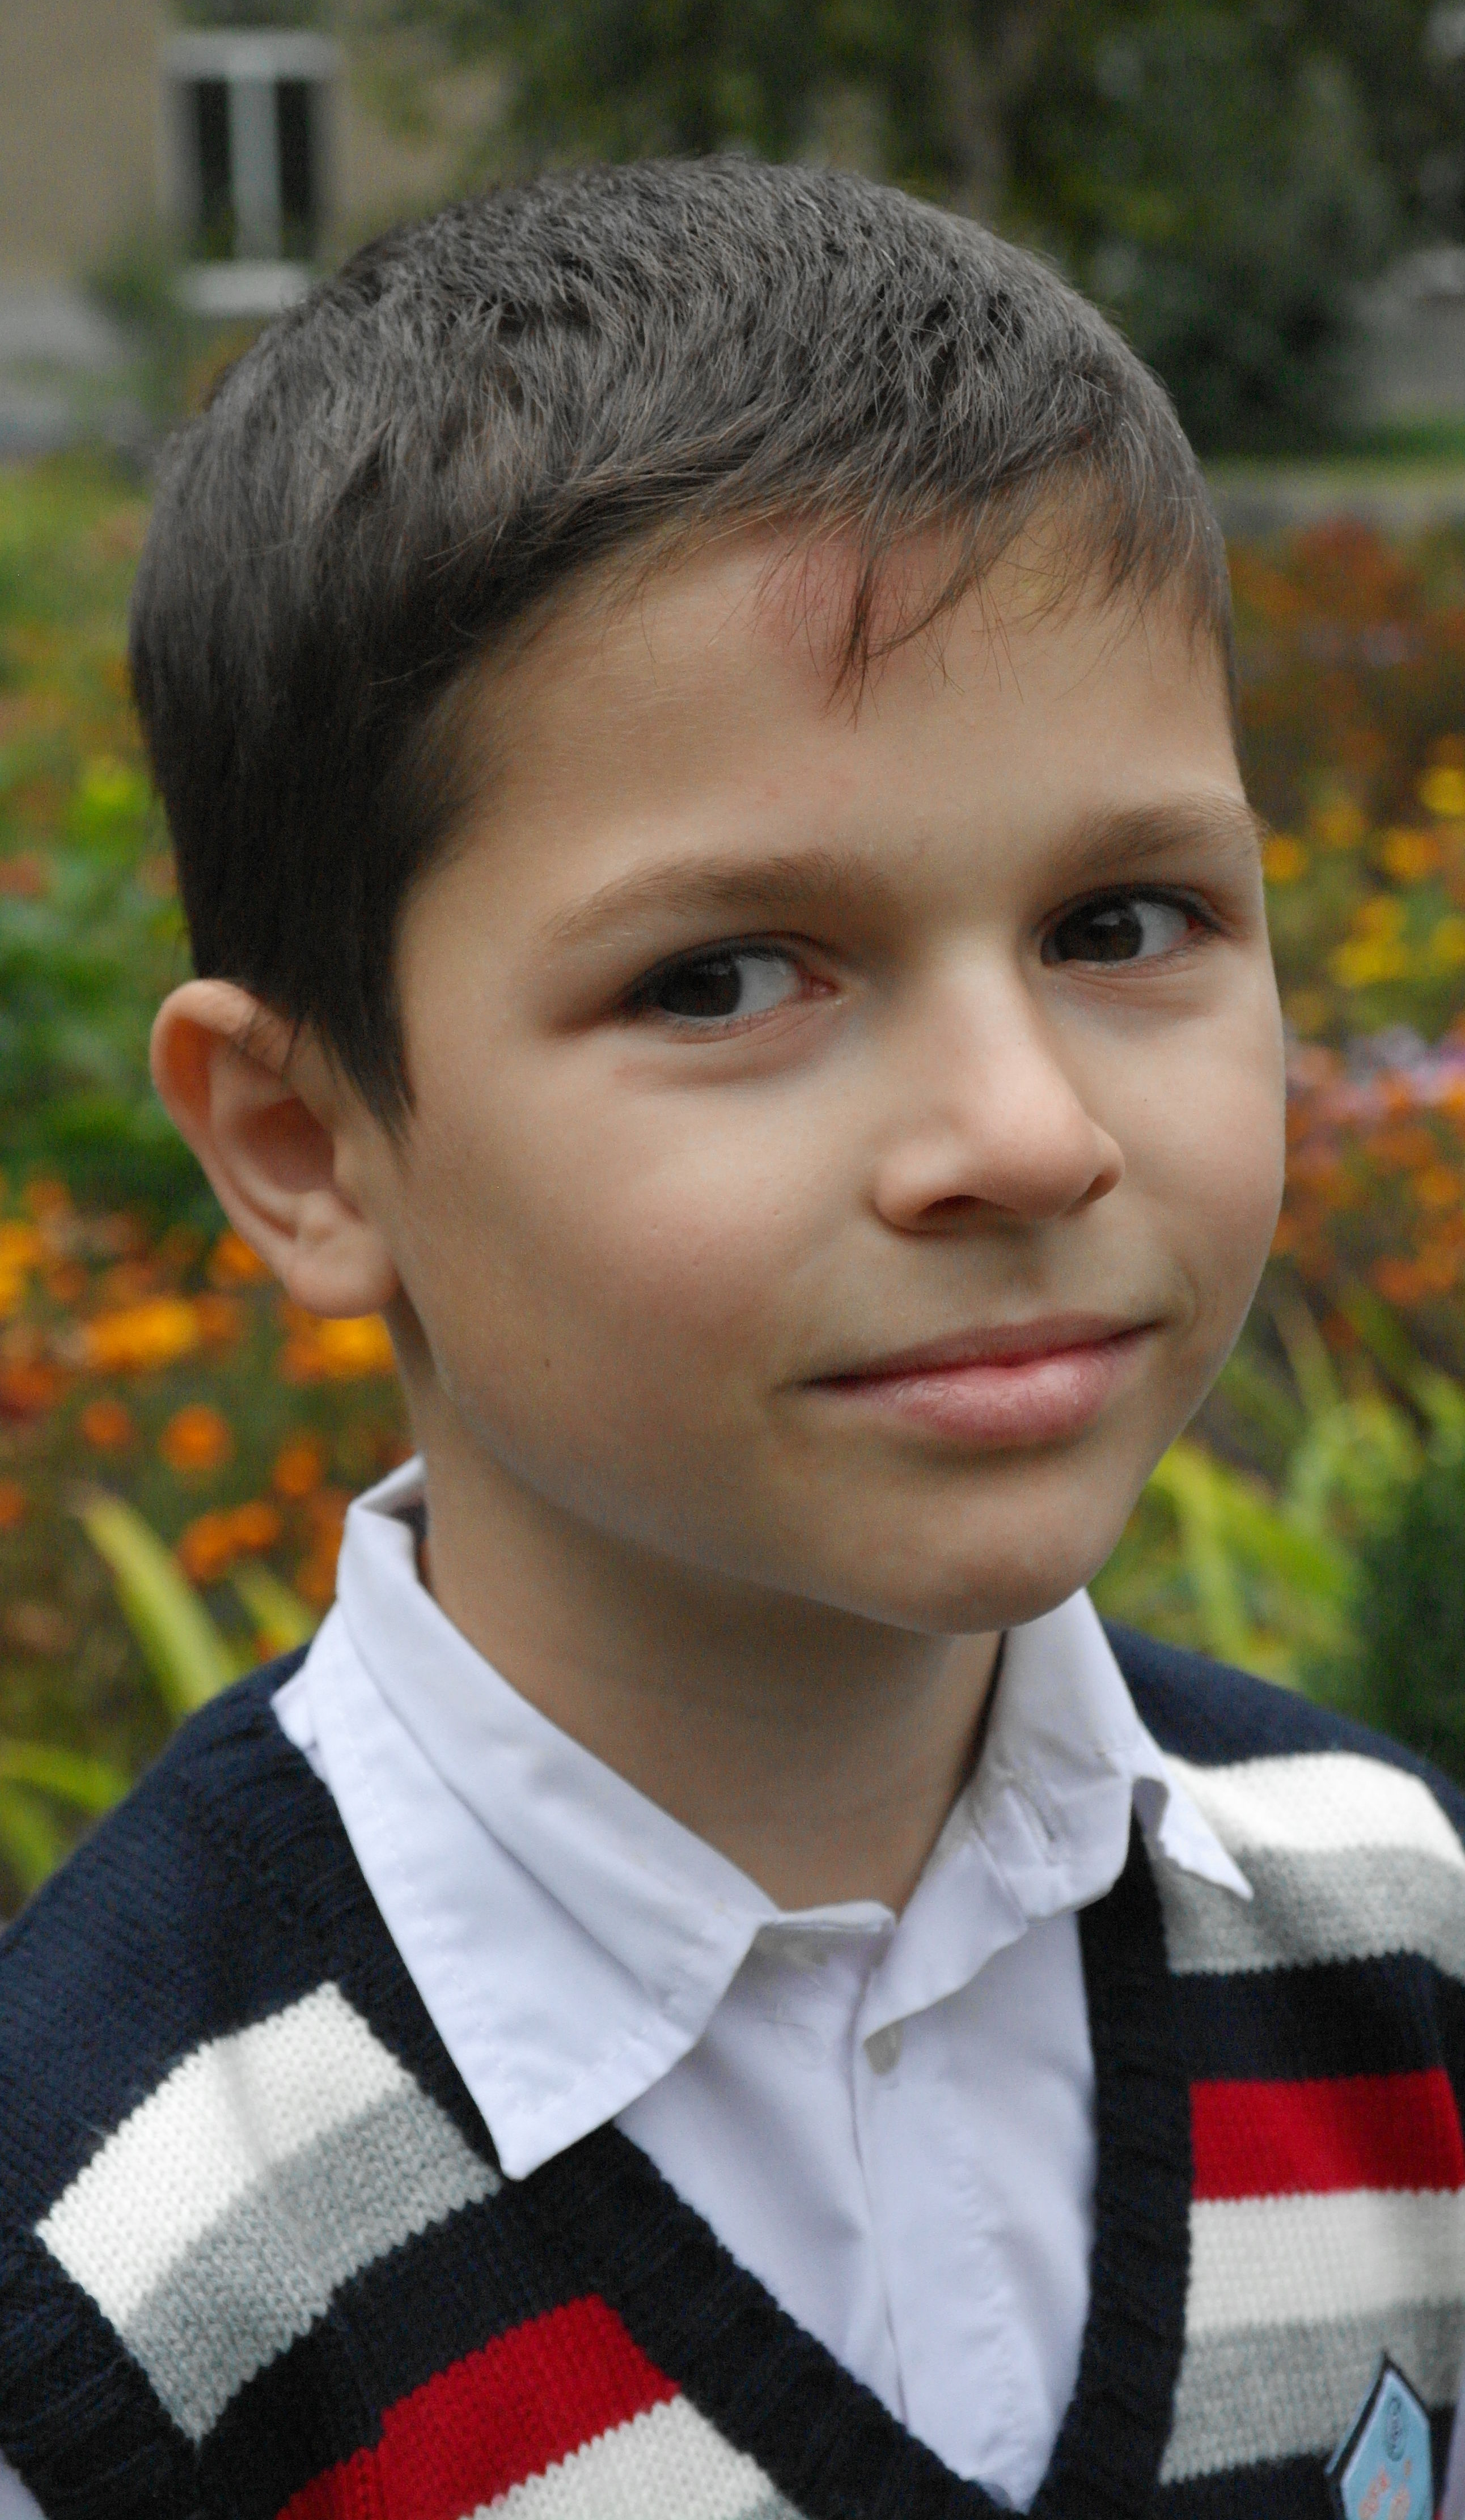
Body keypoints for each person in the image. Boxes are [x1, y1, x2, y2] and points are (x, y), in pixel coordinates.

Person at [0, 160, 1462, 2520]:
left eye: (1123, 920)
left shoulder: (1398, 1940)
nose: (1025, 1133)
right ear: (306, 1143)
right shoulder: (115, 2256)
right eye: (723, 977)